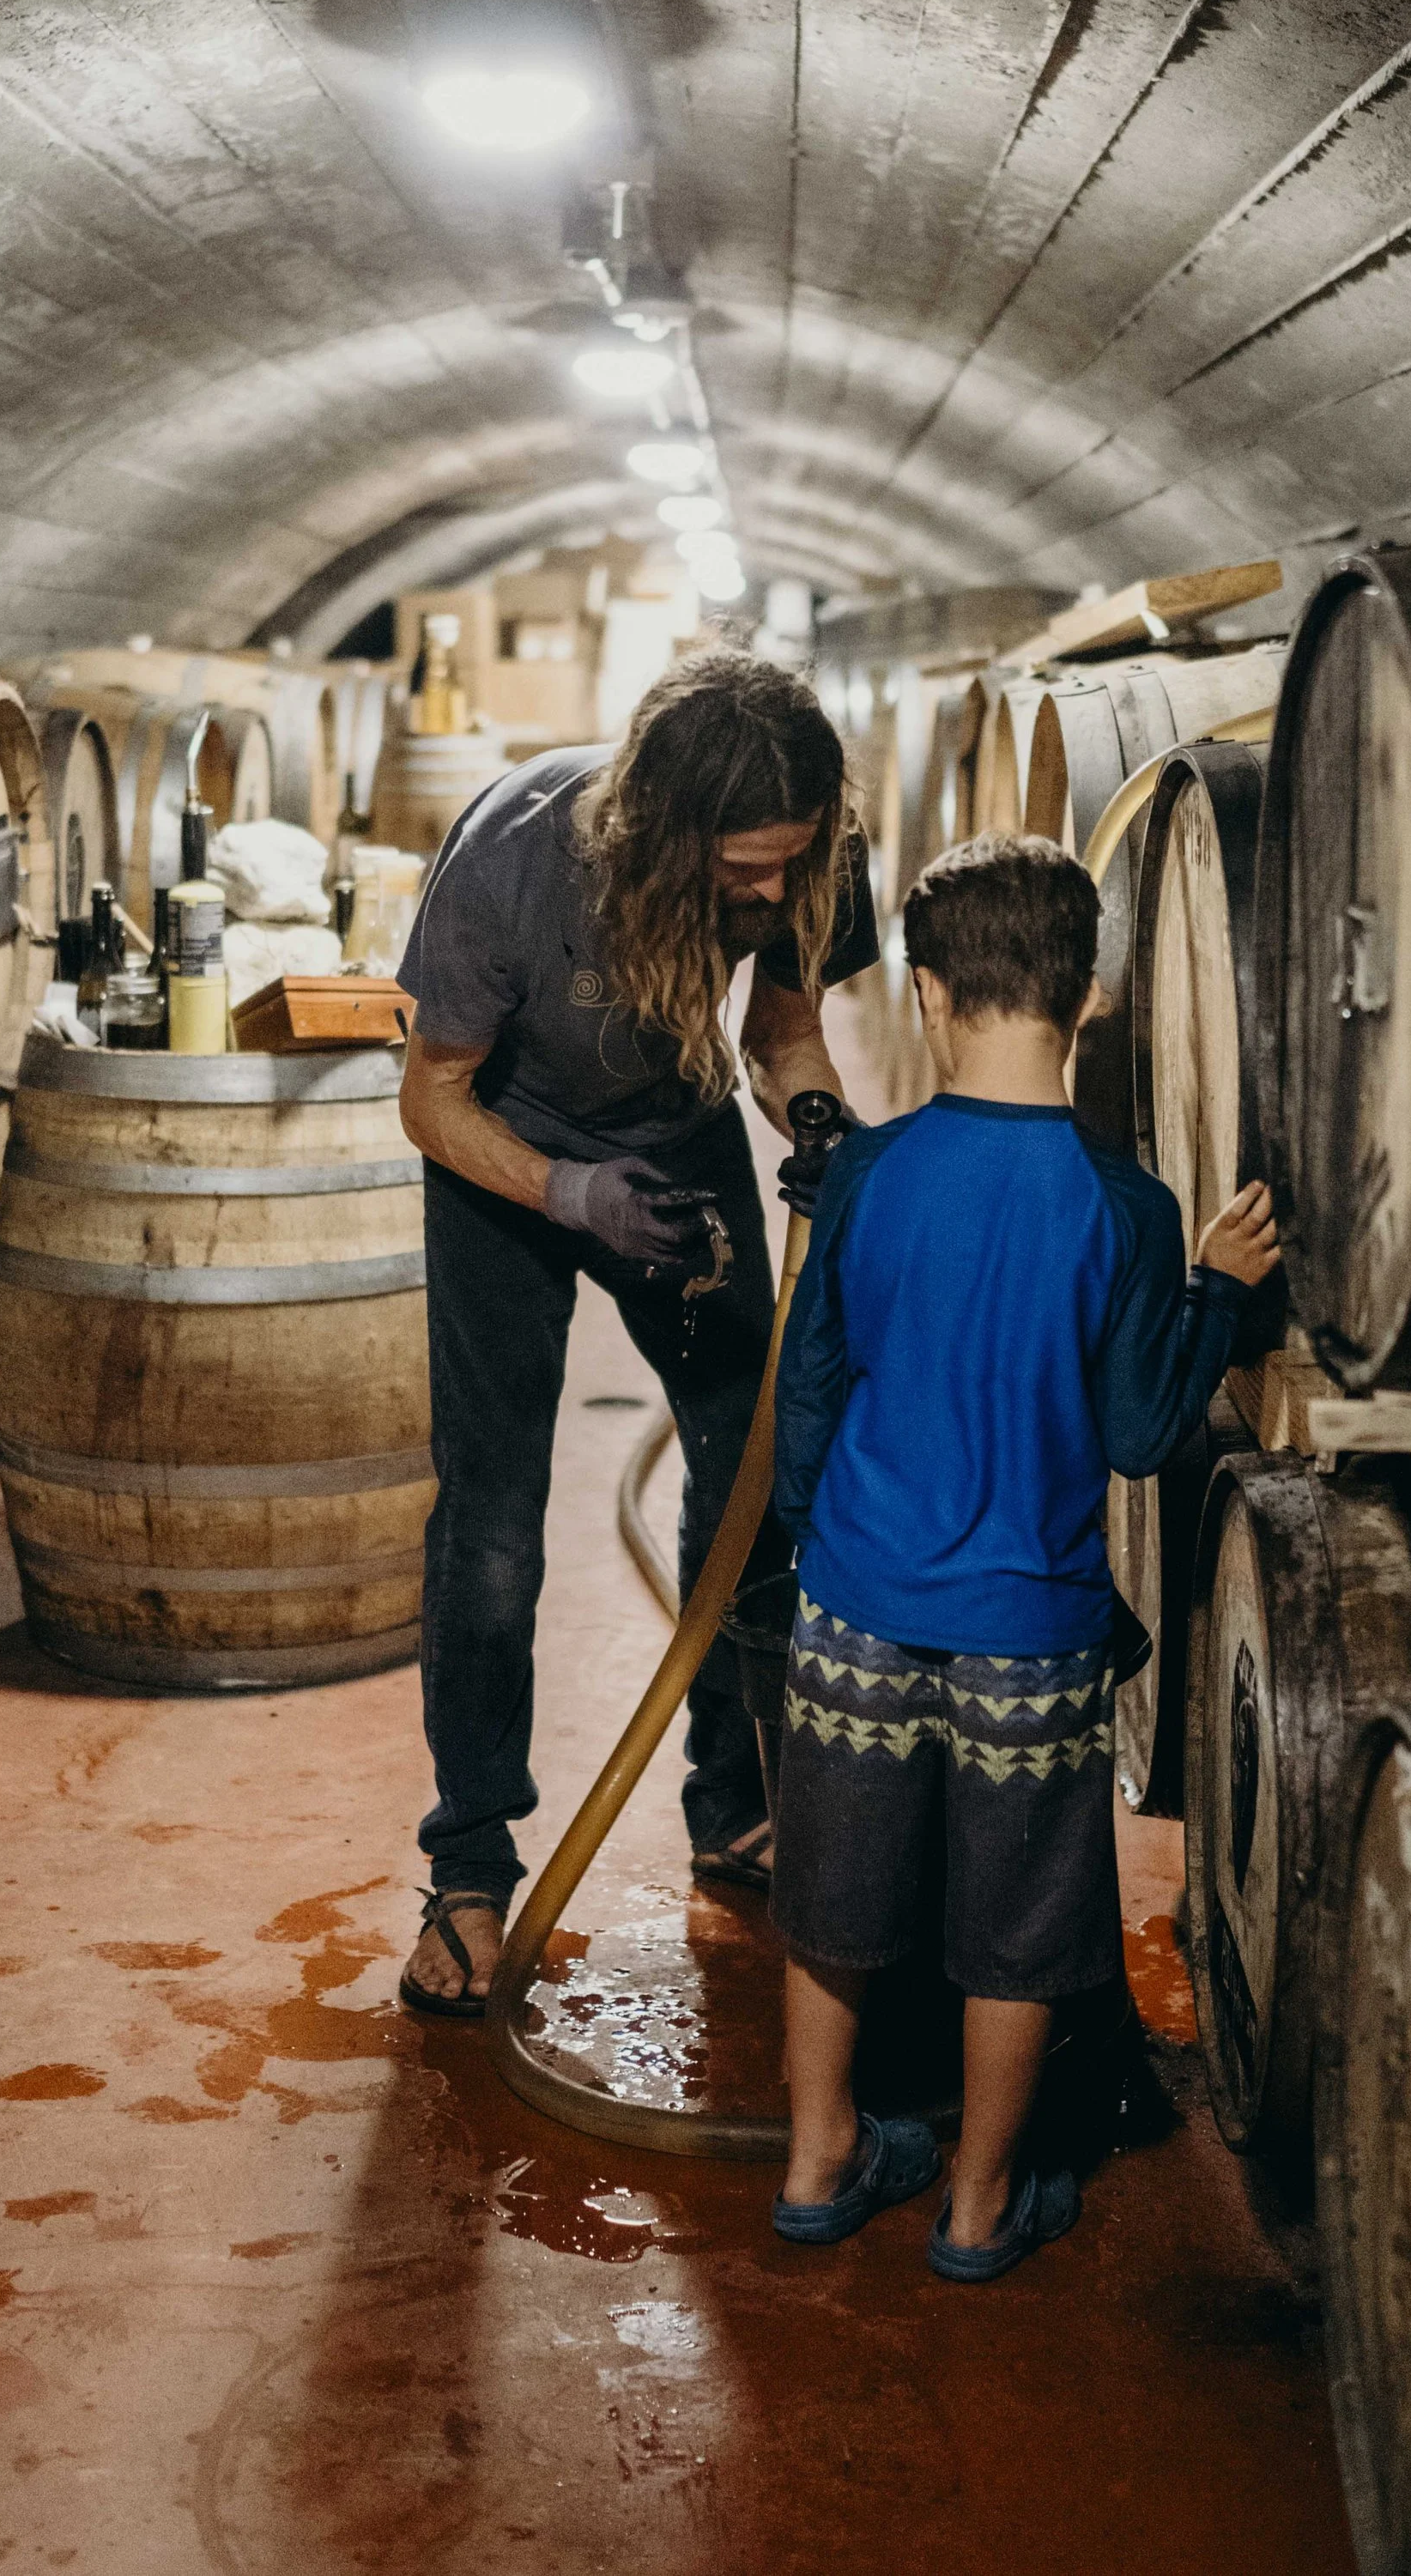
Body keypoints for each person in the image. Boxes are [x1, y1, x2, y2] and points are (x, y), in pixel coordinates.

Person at [765, 833, 1281, 2279]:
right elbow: (1140, 1430)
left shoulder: (868, 1173)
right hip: (1031, 1634)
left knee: (834, 1899)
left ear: (928, 993)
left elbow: (808, 1397)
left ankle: (818, 2160)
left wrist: (821, 1545)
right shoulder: (1128, 1210)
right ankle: (980, 2206)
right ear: (1091, 997)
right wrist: (1216, 1295)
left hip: (857, 1602)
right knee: (1018, 1927)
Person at [392, 647, 880, 2019]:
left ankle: (734, 1799)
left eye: (792, 861)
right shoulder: (514, 859)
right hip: (503, 1159)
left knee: (752, 1461)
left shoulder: (814, 853)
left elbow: (783, 1028)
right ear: (664, 833)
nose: (771, 893)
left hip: (676, 1139)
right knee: (492, 1518)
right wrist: (569, 1194)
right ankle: (468, 1867)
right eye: (744, 869)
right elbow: (430, 1100)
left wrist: (815, 1115)